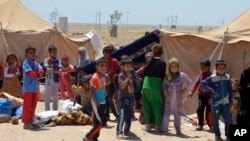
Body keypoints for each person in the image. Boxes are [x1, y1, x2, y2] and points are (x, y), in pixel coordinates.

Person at [201, 60, 232, 141]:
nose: (221, 70)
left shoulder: (228, 77)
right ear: (216, 68)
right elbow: (203, 83)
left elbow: (230, 90)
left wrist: (231, 102)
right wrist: (210, 89)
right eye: (219, 68)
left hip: (226, 103)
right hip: (216, 103)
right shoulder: (212, 77)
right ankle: (217, 136)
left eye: (223, 68)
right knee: (216, 120)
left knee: (228, 120)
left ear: (225, 68)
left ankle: (228, 136)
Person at [162, 57, 192, 135]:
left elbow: (189, 82)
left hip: (178, 99)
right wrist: (164, 91)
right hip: (169, 99)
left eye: (175, 66)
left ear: (178, 67)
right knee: (166, 114)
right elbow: (163, 85)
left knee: (177, 114)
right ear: (169, 67)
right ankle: (164, 130)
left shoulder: (182, 75)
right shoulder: (167, 76)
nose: (174, 68)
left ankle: (178, 131)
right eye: (172, 66)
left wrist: (185, 90)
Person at [142, 44, 166, 132]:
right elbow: (162, 76)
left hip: (146, 84)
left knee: (147, 105)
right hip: (156, 85)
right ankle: (157, 126)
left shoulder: (149, 62)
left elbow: (144, 73)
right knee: (158, 106)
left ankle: (148, 126)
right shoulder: (162, 63)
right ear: (161, 52)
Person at [83, 58, 108, 141]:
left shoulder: (103, 76)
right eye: (101, 66)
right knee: (103, 122)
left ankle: (94, 137)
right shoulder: (95, 77)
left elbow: (105, 86)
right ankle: (88, 136)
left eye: (105, 66)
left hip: (102, 101)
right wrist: (97, 102)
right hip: (97, 102)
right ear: (96, 67)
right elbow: (92, 92)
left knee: (98, 122)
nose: (104, 68)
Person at [22, 46, 44, 129]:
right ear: (27, 54)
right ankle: (26, 123)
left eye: (33, 52)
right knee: (27, 106)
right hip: (28, 88)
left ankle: (31, 121)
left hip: (35, 88)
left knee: (33, 105)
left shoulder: (36, 62)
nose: (32, 54)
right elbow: (30, 74)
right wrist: (37, 73)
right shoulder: (26, 63)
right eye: (30, 53)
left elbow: (42, 72)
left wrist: (37, 73)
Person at [187, 58, 213, 131]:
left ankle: (211, 126)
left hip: (208, 97)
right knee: (200, 110)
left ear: (208, 67)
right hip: (201, 96)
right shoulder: (201, 74)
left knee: (209, 111)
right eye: (201, 68)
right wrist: (191, 91)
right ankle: (200, 124)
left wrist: (211, 97)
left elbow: (213, 88)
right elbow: (196, 82)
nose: (202, 69)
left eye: (203, 68)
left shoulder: (212, 76)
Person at [116, 58, 135, 139]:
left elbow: (132, 88)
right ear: (122, 67)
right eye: (127, 66)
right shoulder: (121, 75)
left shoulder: (131, 75)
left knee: (129, 116)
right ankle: (119, 132)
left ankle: (127, 130)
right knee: (122, 116)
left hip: (130, 98)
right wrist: (127, 78)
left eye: (130, 66)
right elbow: (122, 86)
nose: (129, 67)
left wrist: (134, 99)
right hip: (124, 99)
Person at [103, 45, 119, 120]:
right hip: (103, 83)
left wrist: (115, 76)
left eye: (108, 53)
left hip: (112, 82)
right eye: (105, 53)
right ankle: (106, 116)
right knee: (105, 99)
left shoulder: (114, 61)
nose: (106, 55)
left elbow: (119, 70)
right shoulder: (102, 62)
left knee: (110, 99)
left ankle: (116, 115)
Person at [44, 45, 61, 111]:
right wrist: (55, 71)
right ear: (50, 52)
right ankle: (47, 111)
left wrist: (54, 71)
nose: (54, 54)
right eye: (53, 52)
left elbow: (60, 70)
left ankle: (55, 110)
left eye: (55, 52)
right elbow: (47, 69)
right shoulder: (46, 60)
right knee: (47, 96)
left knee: (56, 96)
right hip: (48, 80)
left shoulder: (58, 60)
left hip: (56, 80)